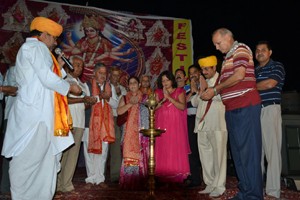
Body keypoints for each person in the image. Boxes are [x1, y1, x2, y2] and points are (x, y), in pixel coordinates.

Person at [1, 16, 82, 200]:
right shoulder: (36, 47)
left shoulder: (33, 49)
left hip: (39, 113)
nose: (55, 43)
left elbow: (41, 78)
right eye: (54, 38)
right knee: (29, 161)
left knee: (43, 162)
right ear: (44, 35)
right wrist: (70, 87)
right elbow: (46, 78)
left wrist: (60, 70)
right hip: (35, 116)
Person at [201, 27, 263, 199]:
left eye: (218, 43)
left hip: (246, 106)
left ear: (228, 37)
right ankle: (245, 192)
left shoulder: (241, 49)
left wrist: (214, 90)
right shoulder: (227, 58)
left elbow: (239, 75)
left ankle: (254, 195)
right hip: (232, 109)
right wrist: (209, 92)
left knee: (249, 153)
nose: (216, 47)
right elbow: (222, 86)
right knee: (238, 155)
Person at [57, 55, 96, 193]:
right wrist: (82, 100)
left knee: (73, 155)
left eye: (81, 66)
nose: (80, 68)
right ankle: (57, 183)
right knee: (62, 154)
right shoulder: (63, 79)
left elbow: (82, 105)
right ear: (69, 65)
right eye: (77, 65)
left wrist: (88, 102)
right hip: (66, 121)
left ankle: (66, 184)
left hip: (79, 122)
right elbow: (63, 100)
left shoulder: (82, 84)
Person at [191, 55, 228, 197]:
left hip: (217, 123)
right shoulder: (203, 82)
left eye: (207, 69)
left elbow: (224, 97)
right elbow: (195, 102)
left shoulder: (222, 81)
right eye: (202, 69)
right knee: (205, 156)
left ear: (214, 67)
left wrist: (209, 89)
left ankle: (219, 186)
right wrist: (197, 91)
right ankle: (210, 183)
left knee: (218, 156)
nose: (204, 72)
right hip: (202, 124)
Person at [255, 41, 285, 199]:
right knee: (256, 153)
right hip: (255, 113)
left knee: (272, 152)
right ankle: (257, 189)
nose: (259, 52)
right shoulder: (254, 70)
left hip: (270, 109)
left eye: (263, 50)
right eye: (257, 50)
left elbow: (270, 84)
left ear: (270, 52)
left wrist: (250, 86)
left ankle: (273, 191)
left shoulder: (277, 66)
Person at [84, 63, 118, 187]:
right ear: (94, 73)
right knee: (90, 152)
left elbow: (116, 104)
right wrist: (99, 97)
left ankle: (100, 179)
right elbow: (87, 101)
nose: (103, 75)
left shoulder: (110, 87)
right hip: (90, 124)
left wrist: (108, 99)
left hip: (105, 124)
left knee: (103, 152)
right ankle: (90, 179)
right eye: (100, 73)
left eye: (104, 73)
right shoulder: (87, 85)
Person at [154, 70, 190, 184]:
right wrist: (163, 99)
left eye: (167, 80)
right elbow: (153, 109)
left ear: (171, 80)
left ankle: (177, 175)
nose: (165, 83)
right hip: (162, 126)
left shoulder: (179, 91)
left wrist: (169, 97)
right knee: (164, 149)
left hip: (175, 127)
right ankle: (163, 175)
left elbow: (182, 107)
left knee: (174, 148)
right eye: (163, 81)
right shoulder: (158, 92)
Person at [117, 76, 149, 189]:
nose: (133, 85)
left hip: (141, 134)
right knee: (128, 154)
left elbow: (150, 113)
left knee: (142, 156)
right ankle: (129, 182)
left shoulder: (145, 97)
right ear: (128, 86)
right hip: (128, 133)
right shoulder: (125, 98)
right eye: (130, 83)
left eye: (135, 82)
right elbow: (119, 111)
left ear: (139, 84)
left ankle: (140, 182)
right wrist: (131, 103)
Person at [175, 67, 202, 188]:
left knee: (198, 150)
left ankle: (198, 177)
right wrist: (191, 91)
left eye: (194, 73)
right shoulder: (181, 90)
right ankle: (191, 176)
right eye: (190, 74)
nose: (192, 76)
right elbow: (182, 104)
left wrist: (194, 89)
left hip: (200, 118)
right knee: (190, 149)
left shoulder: (203, 85)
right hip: (186, 120)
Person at [107, 66, 127, 183]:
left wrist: (119, 95)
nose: (115, 77)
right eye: (113, 75)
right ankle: (100, 175)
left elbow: (123, 104)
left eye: (117, 75)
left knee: (115, 145)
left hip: (116, 119)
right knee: (103, 148)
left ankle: (115, 175)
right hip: (104, 117)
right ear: (110, 75)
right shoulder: (105, 85)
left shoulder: (123, 89)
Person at [0, 65, 18, 195]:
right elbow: (13, 90)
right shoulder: (14, 70)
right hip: (13, 116)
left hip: (29, 119)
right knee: (9, 152)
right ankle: (5, 187)